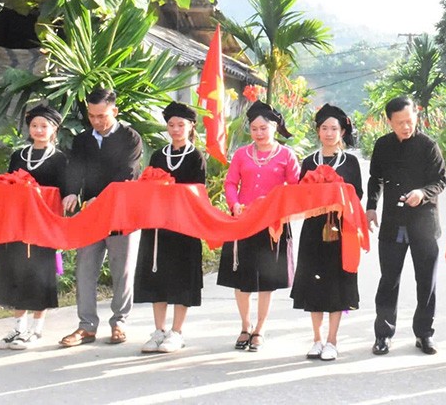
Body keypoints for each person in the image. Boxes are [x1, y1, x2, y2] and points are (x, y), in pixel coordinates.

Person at [59, 88, 143, 348]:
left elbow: (127, 173)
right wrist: (71, 192)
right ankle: (86, 327)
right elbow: (75, 169)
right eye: (92, 116)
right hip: (91, 215)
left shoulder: (130, 138)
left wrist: (103, 199)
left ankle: (119, 322)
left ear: (114, 111)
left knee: (122, 270)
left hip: (122, 214)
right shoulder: (83, 140)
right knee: (84, 268)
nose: (97, 121)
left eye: (102, 116)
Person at [366, 96, 446, 356]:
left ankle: (424, 334)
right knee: (389, 280)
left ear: (416, 117)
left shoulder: (428, 146)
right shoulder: (382, 146)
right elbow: (375, 178)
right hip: (393, 223)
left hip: (423, 223)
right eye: (399, 122)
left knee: (426, 281)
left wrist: (422, 193)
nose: (406, 127)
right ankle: (383, 334)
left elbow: (440, 181)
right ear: (389, 121)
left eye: (410, 121)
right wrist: (370, 206)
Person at [217, 100, 301, 353]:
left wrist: (276, 203)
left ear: (274, 127)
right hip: (243, 221)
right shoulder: (242, 154)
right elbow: (231, 183)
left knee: (266, 279)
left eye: (263, 128)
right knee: (241, 278)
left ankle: (260, 328)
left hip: (272, 224)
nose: (259, 133)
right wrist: (234, 204)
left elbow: (295, 188)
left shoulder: (287, 155)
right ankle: (245, 325)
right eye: (254, 128)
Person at [0, 103, 68, 350]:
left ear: (54, 129)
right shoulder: (18, 155)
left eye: (44, 126)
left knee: (38, 276)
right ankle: (17, 329)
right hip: (17, 225)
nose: (39, 129)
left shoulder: (60, 158)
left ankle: (36, 330)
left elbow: (62, 193)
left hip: (43, 226)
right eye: (34, 125)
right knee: (16, 274)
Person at [291, 103, 363, 362]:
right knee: (314, 283)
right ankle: (317, 339)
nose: (329, 133)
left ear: (342, 132)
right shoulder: (309, 161)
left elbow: (357, 196)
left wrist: (337, 198)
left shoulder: (351, 162)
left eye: (334, 128)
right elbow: (300, 194)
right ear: (318, 131)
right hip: (313, 228)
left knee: (336, 283)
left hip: (341, 230)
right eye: (324, 128)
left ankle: (333, 340)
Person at [135, 101, 207, 354]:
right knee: (158, 276)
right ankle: (159, 330)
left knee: (180, 278)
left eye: (181, 125)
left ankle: (177, 331)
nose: (176, 129)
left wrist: (171, 191)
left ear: (191, 127)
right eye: (171, 125)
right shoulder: (158, 155)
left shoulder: (196, 156)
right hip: (158, 225)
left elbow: (198, 192)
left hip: (184, 226)